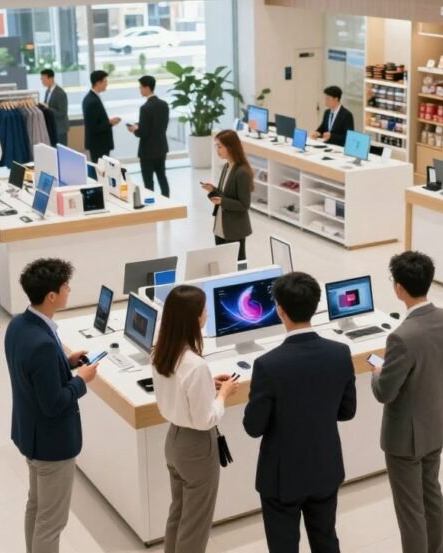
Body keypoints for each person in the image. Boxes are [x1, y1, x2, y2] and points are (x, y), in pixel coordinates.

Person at [244, 272, 356, 553]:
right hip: (324, 467)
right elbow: (347, 411)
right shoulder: (340, 353)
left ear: (280, 311)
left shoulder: (268, 365)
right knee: (326, 541)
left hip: (282, 477)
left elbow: (253, 426)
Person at [6, 258, 100, 553]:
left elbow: (32, 374)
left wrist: (67, 363)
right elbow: (54, 403)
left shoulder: (19, 325)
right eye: (65, 287)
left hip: (30, 434)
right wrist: (81, 379)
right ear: (51, 296)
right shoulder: (43, 343)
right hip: (52, 444)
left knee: (36, 507)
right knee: (52, 522)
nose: (69, 290)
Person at [372, 251, 443, 553]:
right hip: (436, 425)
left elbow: (384, 392)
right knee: (432, 496)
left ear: (398, 288)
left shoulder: (401, 337)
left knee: (410, 512)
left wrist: (376, 370)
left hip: (404, 438)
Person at [152, 285, 240, 553]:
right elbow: (206, 419)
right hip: (198, 447)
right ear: (194, 318)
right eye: (204, 310)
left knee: (178, 513)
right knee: (196, 523)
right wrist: (223, 394)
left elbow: (178, 391)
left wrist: (208, 385)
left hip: (174, 441)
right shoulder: (196, 365)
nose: (207, 315)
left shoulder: (161, 352)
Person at [201, 129, 253, 262]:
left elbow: (244, 204)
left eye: (220, 146)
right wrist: (213, 190)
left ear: (230, 147)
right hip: (220, 225)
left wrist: (222, 201)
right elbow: (224, 194)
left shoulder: (242, 172)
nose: (217, 150)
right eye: (217, 146)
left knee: (237, 265)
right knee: (222, 262)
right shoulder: (226, 167)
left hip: (234, 228)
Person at [127, 75, 171, 198]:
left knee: (148, 180)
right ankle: (167, 200)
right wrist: (141, 126)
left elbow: (143, 133)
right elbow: (160, 125)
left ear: (147, 88)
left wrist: (134, 130)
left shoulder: (145, 108)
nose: (140, 89)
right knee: (162, 176)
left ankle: (152, 203)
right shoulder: (164, 104)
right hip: (161, 147)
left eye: (140, 87)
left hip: (147, 150)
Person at [82, 70, 120, 179]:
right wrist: (109, 123)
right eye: (105, 81)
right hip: (98, 144)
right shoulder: (92, 101)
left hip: (98, 144)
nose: (107, 84)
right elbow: (93, 127)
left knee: (101, 173)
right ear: (98, 83)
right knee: (101, 175)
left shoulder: (92, 98)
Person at [40, 69, 69, 146]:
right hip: (51, 127)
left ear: (51, 78)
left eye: (43, 78)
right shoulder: (47, 91)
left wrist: (47, 108)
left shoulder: (60, 93)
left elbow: (62, 113)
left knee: (61, 152)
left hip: (60, 128)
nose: (42, 81)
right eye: (41, 79)